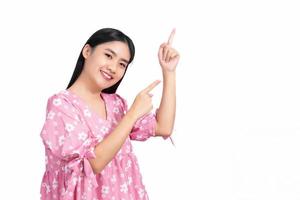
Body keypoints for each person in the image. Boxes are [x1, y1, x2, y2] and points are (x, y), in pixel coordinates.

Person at [40, 27, 179, 200]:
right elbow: (93, 163)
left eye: (122, 64)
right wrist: (133, 113)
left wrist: (169, 72)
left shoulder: (116, 104)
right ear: (87, 51)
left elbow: (163, 127)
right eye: (108, 55)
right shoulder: (61, 105)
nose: (113, 68)